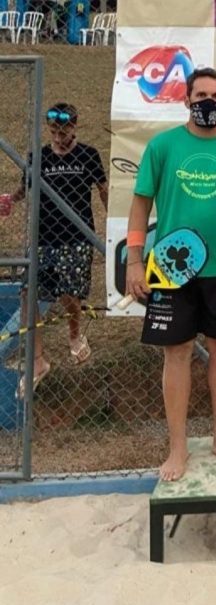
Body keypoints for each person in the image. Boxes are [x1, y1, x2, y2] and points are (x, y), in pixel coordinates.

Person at [125, 67, 216, 482]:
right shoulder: (162, 146)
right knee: (176, 353)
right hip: (170, 268)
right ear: (186, 100)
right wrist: (134, 260)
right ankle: (177, 447)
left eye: (215, 96)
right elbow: (140, 204)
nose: (208, 102)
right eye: (201, 96)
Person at [5, 103, 108, 397]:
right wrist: (9, 200)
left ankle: (74, 335)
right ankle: (38, 360)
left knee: (69, 294)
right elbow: (24, 189)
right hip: (43, 238)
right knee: (29, 294)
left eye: (64, 131)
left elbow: (103, 189)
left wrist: (113, 222)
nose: (59, 137)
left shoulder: (88, 155)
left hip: (77, 237)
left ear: (75, 127)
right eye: (54, 132)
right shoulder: (38, 157)